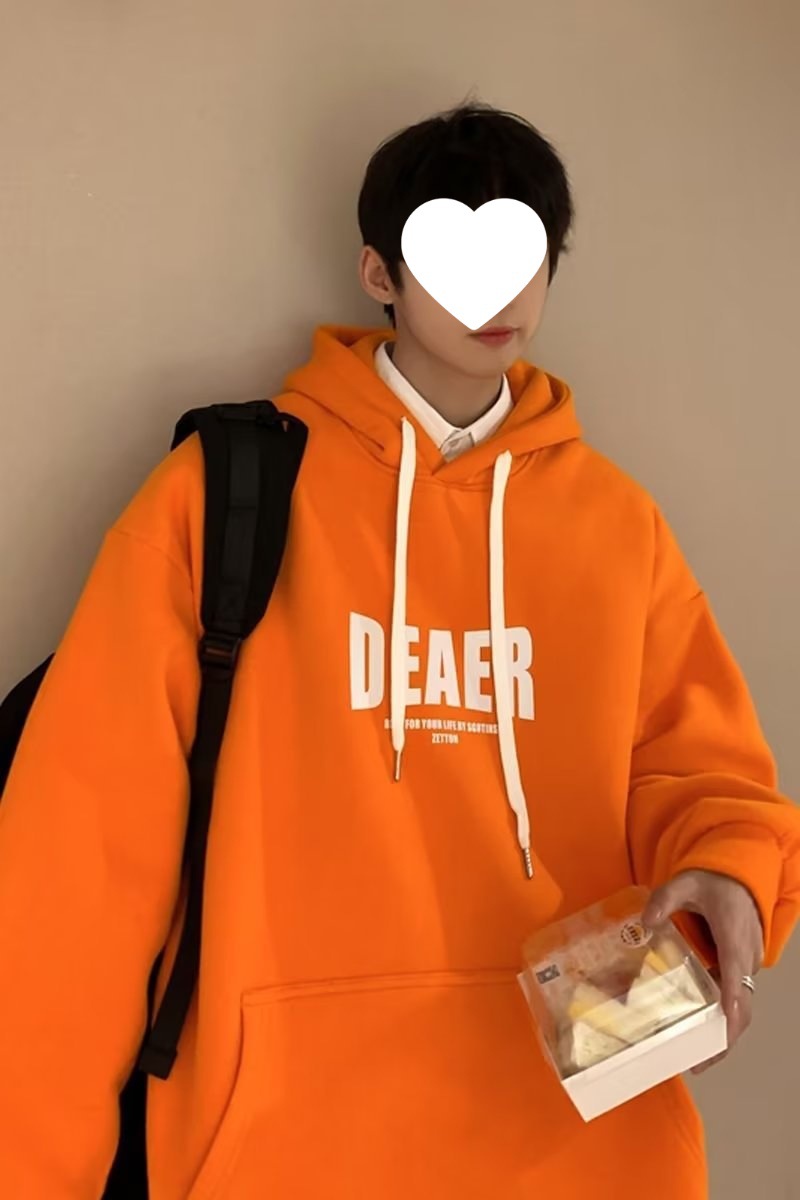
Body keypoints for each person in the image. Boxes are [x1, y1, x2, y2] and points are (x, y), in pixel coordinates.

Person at [1, 99, 799, 1200]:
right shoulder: (225, 499)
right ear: (379, 272)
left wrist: (728, 872)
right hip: (280, 1148)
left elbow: (704, 771)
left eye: (524, 253)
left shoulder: (618, 528)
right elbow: (77, 865)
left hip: (586, 1149)